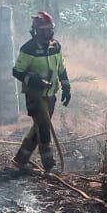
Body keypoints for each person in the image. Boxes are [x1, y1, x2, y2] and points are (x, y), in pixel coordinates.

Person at [11, 11, 71, 171]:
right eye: (45, 30)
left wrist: (66, 86)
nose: (49, 33)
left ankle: (20, 159)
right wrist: (33, 80)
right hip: (35, 96)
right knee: (44, 129)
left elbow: (61, 69)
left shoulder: (56, 46)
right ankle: (49, 165)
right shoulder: (28, 48)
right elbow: (17, 71)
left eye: (50, 29)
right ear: (37, 31)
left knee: (39, 127)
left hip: (51, 95)